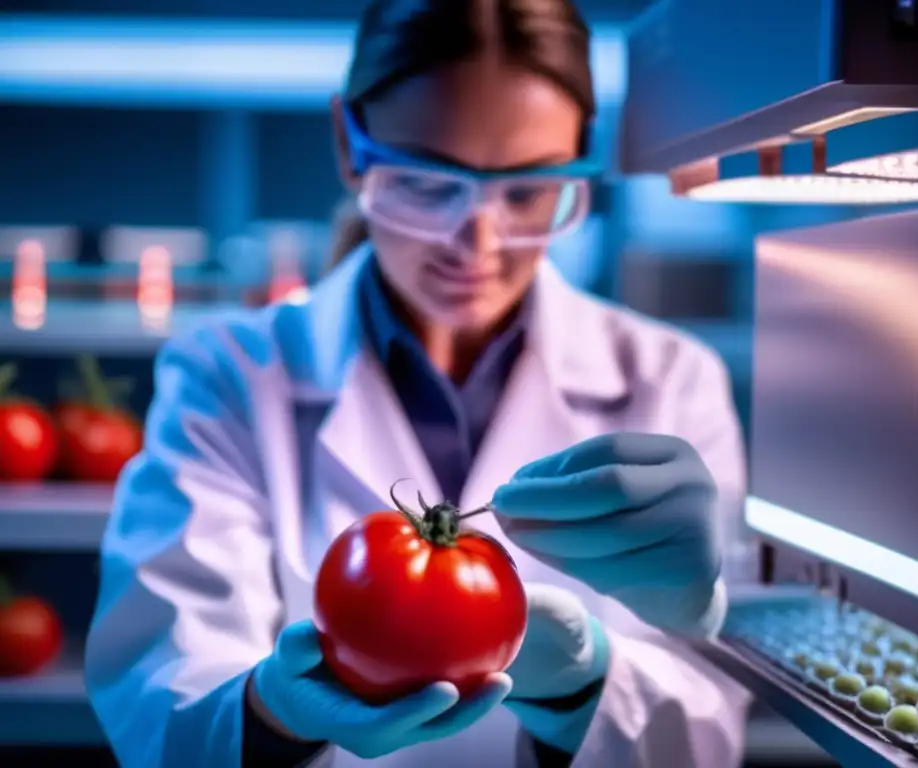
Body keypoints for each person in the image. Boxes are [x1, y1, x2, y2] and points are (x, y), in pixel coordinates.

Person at [84, 0, 750, 766]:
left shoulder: (669, 380)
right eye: (428, 185)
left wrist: (589, 687)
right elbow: (163, 708)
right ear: (349, 145)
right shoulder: (228, 378)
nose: (477, 242)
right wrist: (271, 715)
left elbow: (705, 736)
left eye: (528, 191)